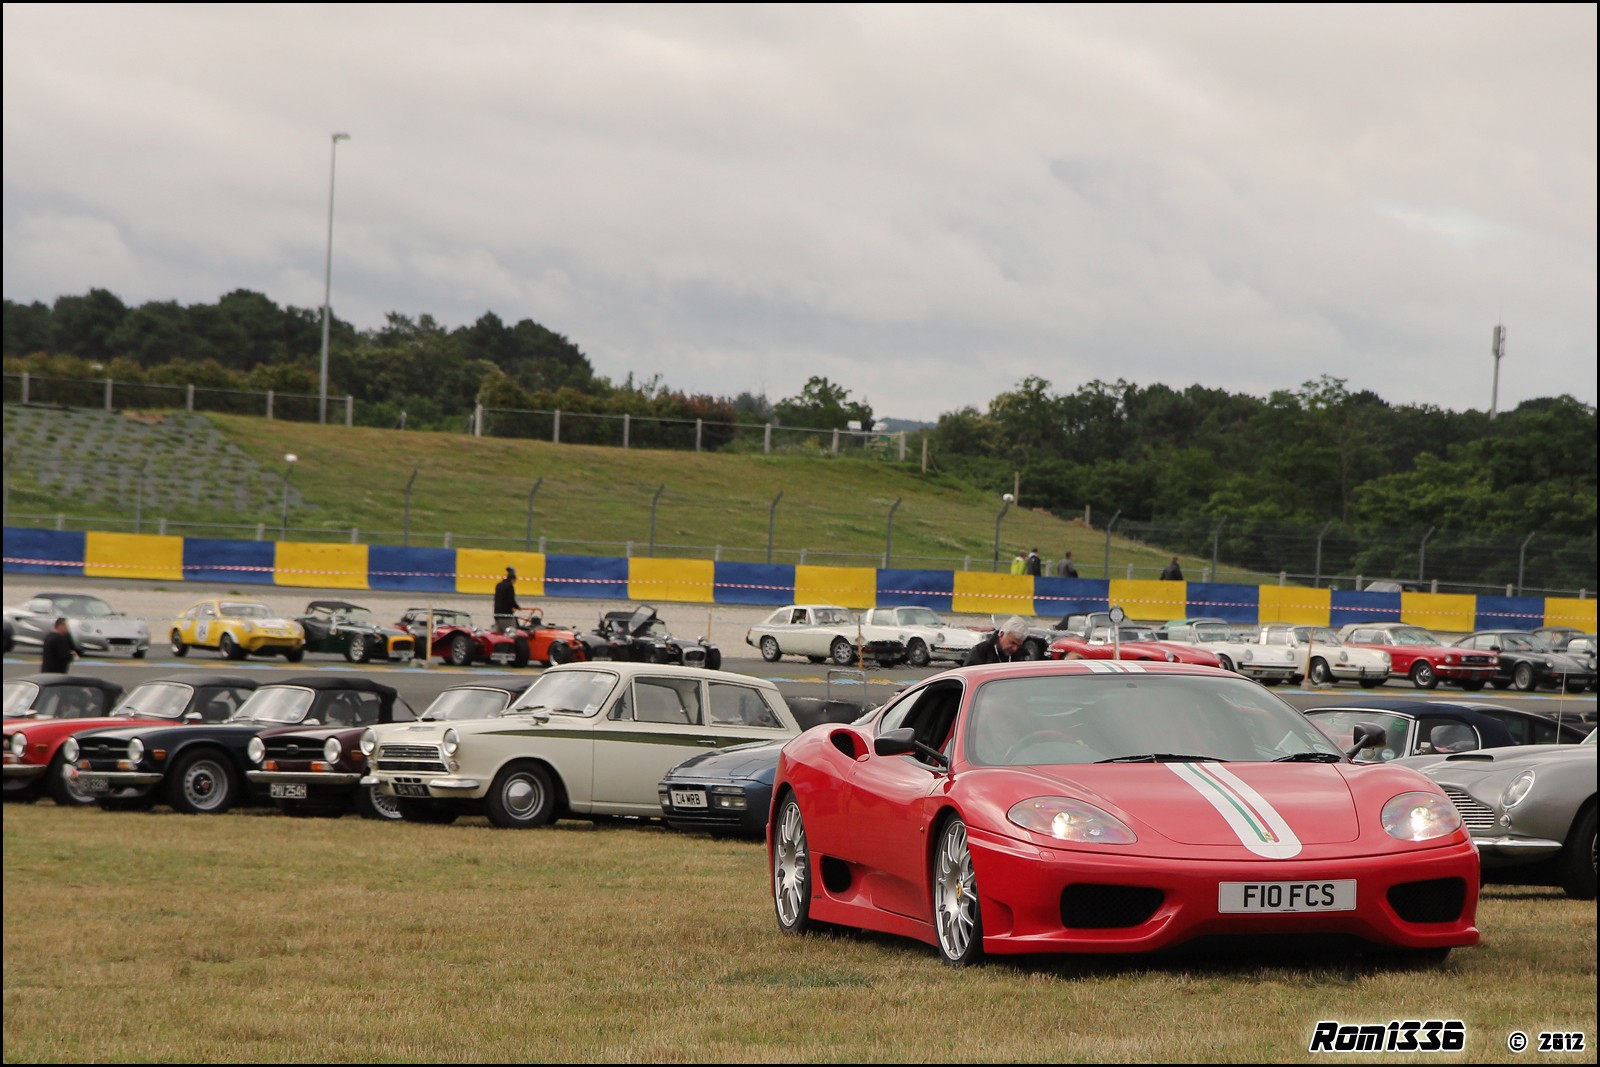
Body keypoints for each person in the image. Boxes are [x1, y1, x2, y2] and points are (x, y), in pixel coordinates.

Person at [965, 616, 1032, 665]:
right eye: (1012, 643)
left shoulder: (1023, 656)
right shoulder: (980, 651)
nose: (1015, 648)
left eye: (1019, 645)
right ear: (1001, 634)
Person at [493, 566, 521, 633]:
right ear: (513, 579)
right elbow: (510, 599)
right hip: (506, 615)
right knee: (512, 633)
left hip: (497, 614)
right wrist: (517, 607)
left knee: (499, 633)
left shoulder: (498, 585)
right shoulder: (509, 586)